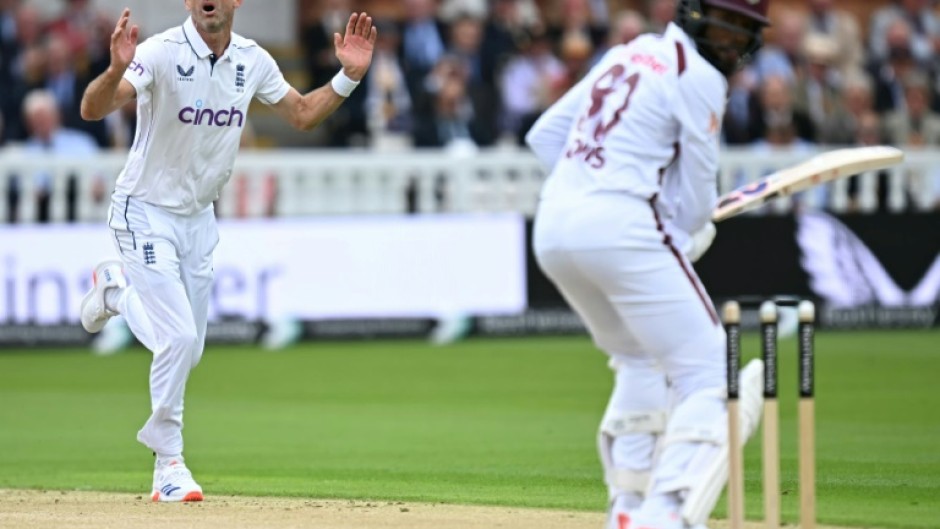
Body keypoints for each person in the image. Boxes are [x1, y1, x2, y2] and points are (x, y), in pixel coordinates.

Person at [78, 1, 376, 502]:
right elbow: (93, 108)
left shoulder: (252, 59)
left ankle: (116, 296)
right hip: (144, 211)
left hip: (198, 220)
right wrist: (113, 70)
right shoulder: (160, 52)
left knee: (186, 350)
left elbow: (302, 114)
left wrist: (348, 77)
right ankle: (168, 465)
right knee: (176, 337)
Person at [524, 1, 769, 528]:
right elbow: (698, 204)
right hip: (620, 227)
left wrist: (605, 196)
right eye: (729, 24)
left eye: (745, 29)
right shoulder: (700, 76)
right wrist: (683, 231)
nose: (733, 39)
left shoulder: (628, 53)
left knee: (639, 362)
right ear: (697, 15)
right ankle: (667, 512)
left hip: (553, 226)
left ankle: (628, 509)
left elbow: (544, 137)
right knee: (711, 374)